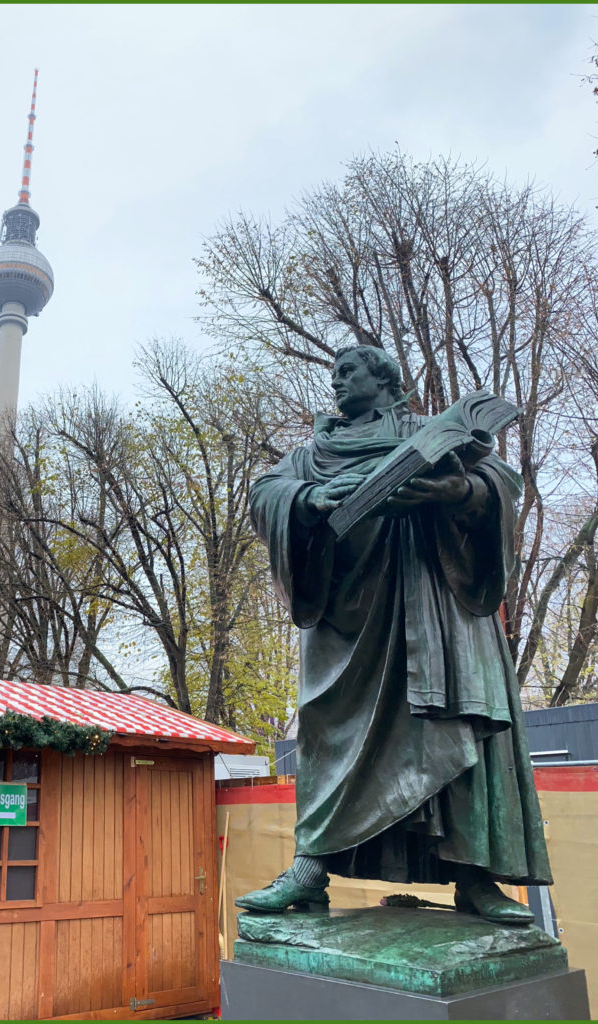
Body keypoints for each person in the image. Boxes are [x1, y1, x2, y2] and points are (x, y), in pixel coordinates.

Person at [236, 345, 552, 925]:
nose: (336, 382)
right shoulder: (313, 453)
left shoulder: (431, 435)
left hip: (431, 600)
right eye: (333, 373)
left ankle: (474, 876)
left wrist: (456, 492)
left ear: (383, 378)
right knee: (327, 737)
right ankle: (311, 868)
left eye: (348, 371)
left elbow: (499, 482)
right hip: (347, 617)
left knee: (448, 727)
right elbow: (263, 493)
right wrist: (308, 498)